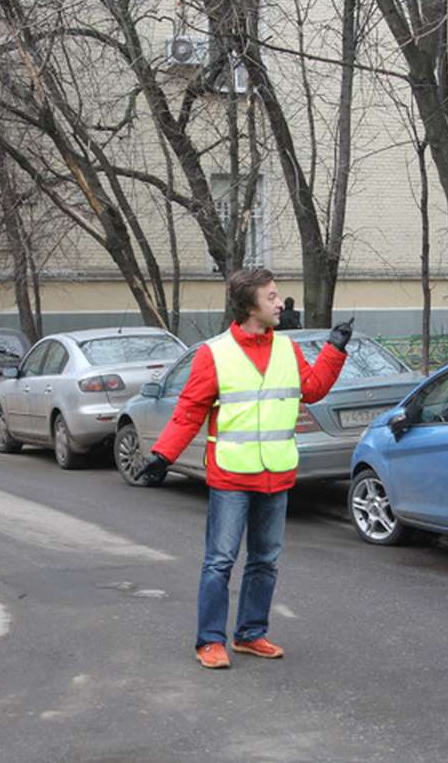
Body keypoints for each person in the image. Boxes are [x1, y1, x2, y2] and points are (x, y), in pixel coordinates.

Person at [131, 268, 353, 669]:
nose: (280, 303)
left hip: (276, 474)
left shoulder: (286, 349)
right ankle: (210, 641)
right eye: (271, 297)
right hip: (232, 476)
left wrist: (335, 349)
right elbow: (188, 413)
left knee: (265, 560)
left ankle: (251, 634)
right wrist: (162, 457)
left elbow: (313, 388)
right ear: (251, 306)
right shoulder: (213, 354)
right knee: (220, 560)